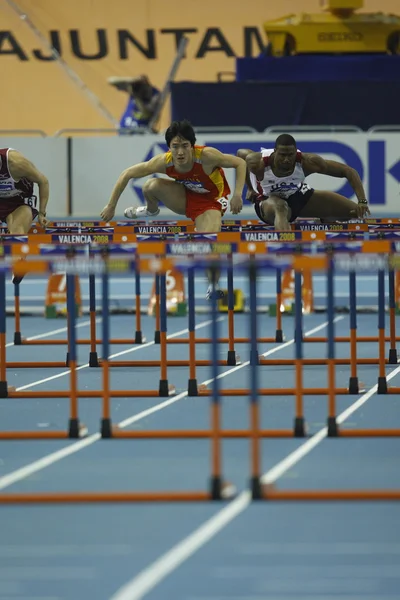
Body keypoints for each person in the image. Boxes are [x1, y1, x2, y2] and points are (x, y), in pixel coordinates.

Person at [100, 119, 246, 299]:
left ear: (193, 146)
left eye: (185, 146)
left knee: (209, 241)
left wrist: (237, 194)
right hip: (185, 196)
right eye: (175, 146)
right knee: (150, 185)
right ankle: (151, 210)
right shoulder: (164, 161)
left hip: (211, 201)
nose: (180, 152)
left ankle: (212, 286)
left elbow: (240, 163)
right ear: (169, 147)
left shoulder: (207, 156)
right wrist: (111, 205)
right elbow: (127, 174)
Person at [237, 134, 370, 230]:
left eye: (290, 155)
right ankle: (285, 250)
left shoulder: (307, 162)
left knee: (354, 212)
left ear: (296, 152)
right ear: (275, 152)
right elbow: (241, 155)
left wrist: (362, 200)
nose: (286, 159)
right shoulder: (258, 162)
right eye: (282, 155)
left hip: (297, 196)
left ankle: (324, 218)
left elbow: (348, 171)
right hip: (268, 202)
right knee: (280, 206)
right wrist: (250, 188)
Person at [0, 147, 49, 284]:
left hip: (18, 203)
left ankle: (18, 264)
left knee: (16, 226)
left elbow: (43, 181)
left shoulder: (17, 164)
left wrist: (42, 213)